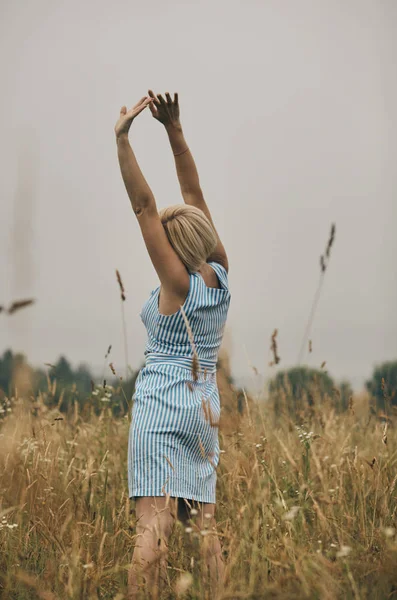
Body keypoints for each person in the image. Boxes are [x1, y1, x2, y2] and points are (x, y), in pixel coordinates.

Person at [114, 90, 231, 599]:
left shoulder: (176, 284)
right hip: (204, 408)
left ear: (172, 250)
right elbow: (196, 193)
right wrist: (174, 130)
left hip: (162, 409)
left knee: (152, 528)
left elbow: (143, 206)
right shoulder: (220, 275)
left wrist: (122, 141)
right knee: (204, 531)